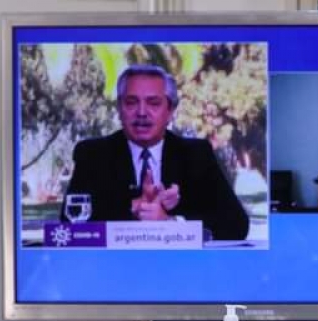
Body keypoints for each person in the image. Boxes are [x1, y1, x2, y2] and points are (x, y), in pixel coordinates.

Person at [64, 65, 249, 240]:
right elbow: (69, 226)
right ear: (119, 108)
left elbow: (237, 224)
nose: (142, 112)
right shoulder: (93, 155)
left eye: (153, 103)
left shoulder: (196, 155)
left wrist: (170, 223)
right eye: (131, 102)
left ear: (170, 111)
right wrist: (133, 207)